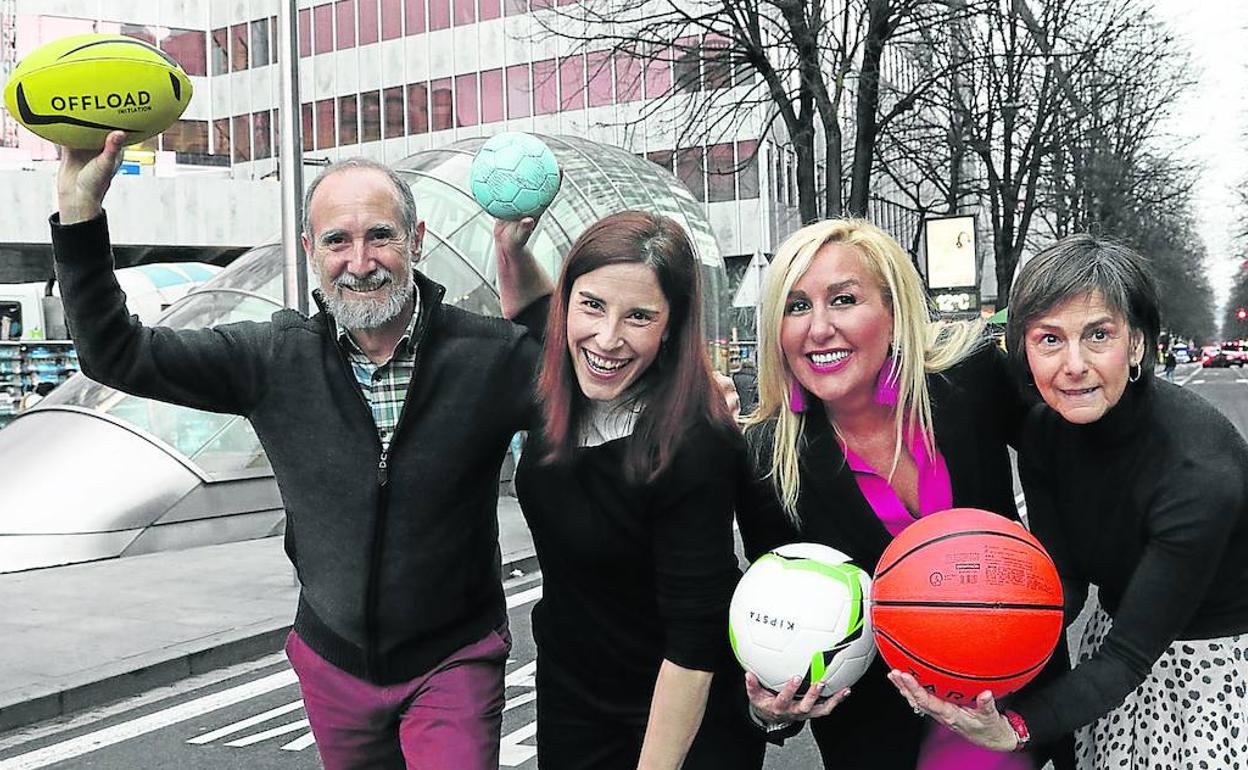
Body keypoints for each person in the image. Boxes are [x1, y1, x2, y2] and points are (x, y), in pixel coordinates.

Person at [52, 131, 553, 769]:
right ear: (311, 251)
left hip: (451, 659)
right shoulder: (271, 358)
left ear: (417, 240)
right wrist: (79, 217)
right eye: (339, 241)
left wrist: (518, 264)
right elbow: (115, 352)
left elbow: (578, 387)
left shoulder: (490, 356)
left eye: (381, 236)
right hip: (333, 667)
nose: (362, 260)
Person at [891, 234, 1248, 769]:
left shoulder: (1198, 472)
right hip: (1115, 643)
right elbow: (1064, 583)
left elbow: (1129, 656)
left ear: (1137, 345)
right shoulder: (1043, 431)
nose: (1073, 364)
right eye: (1050, 339)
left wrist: (1013, 728)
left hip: (1209, 663)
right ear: (1025, 350)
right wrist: (967, 647)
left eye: (1098, 335)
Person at [735, 218, 1071, 770]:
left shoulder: (974, 379)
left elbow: (1077, 443)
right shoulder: (767, 459)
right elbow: (781, 622)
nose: (818, 328)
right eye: (796, 307)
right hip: (880, 738)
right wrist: (774, 709)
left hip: (1019, 710)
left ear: (893, 312)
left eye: (843, 299)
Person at [506, 211, 766, 769]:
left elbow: (694, 645)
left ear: (672, 325)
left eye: (640, 316)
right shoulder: (554, 382)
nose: (607, 339)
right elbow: (528, 310)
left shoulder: (695, 442)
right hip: (573, 705)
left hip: (679, 714)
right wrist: (512, 248)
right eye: (592, 305)